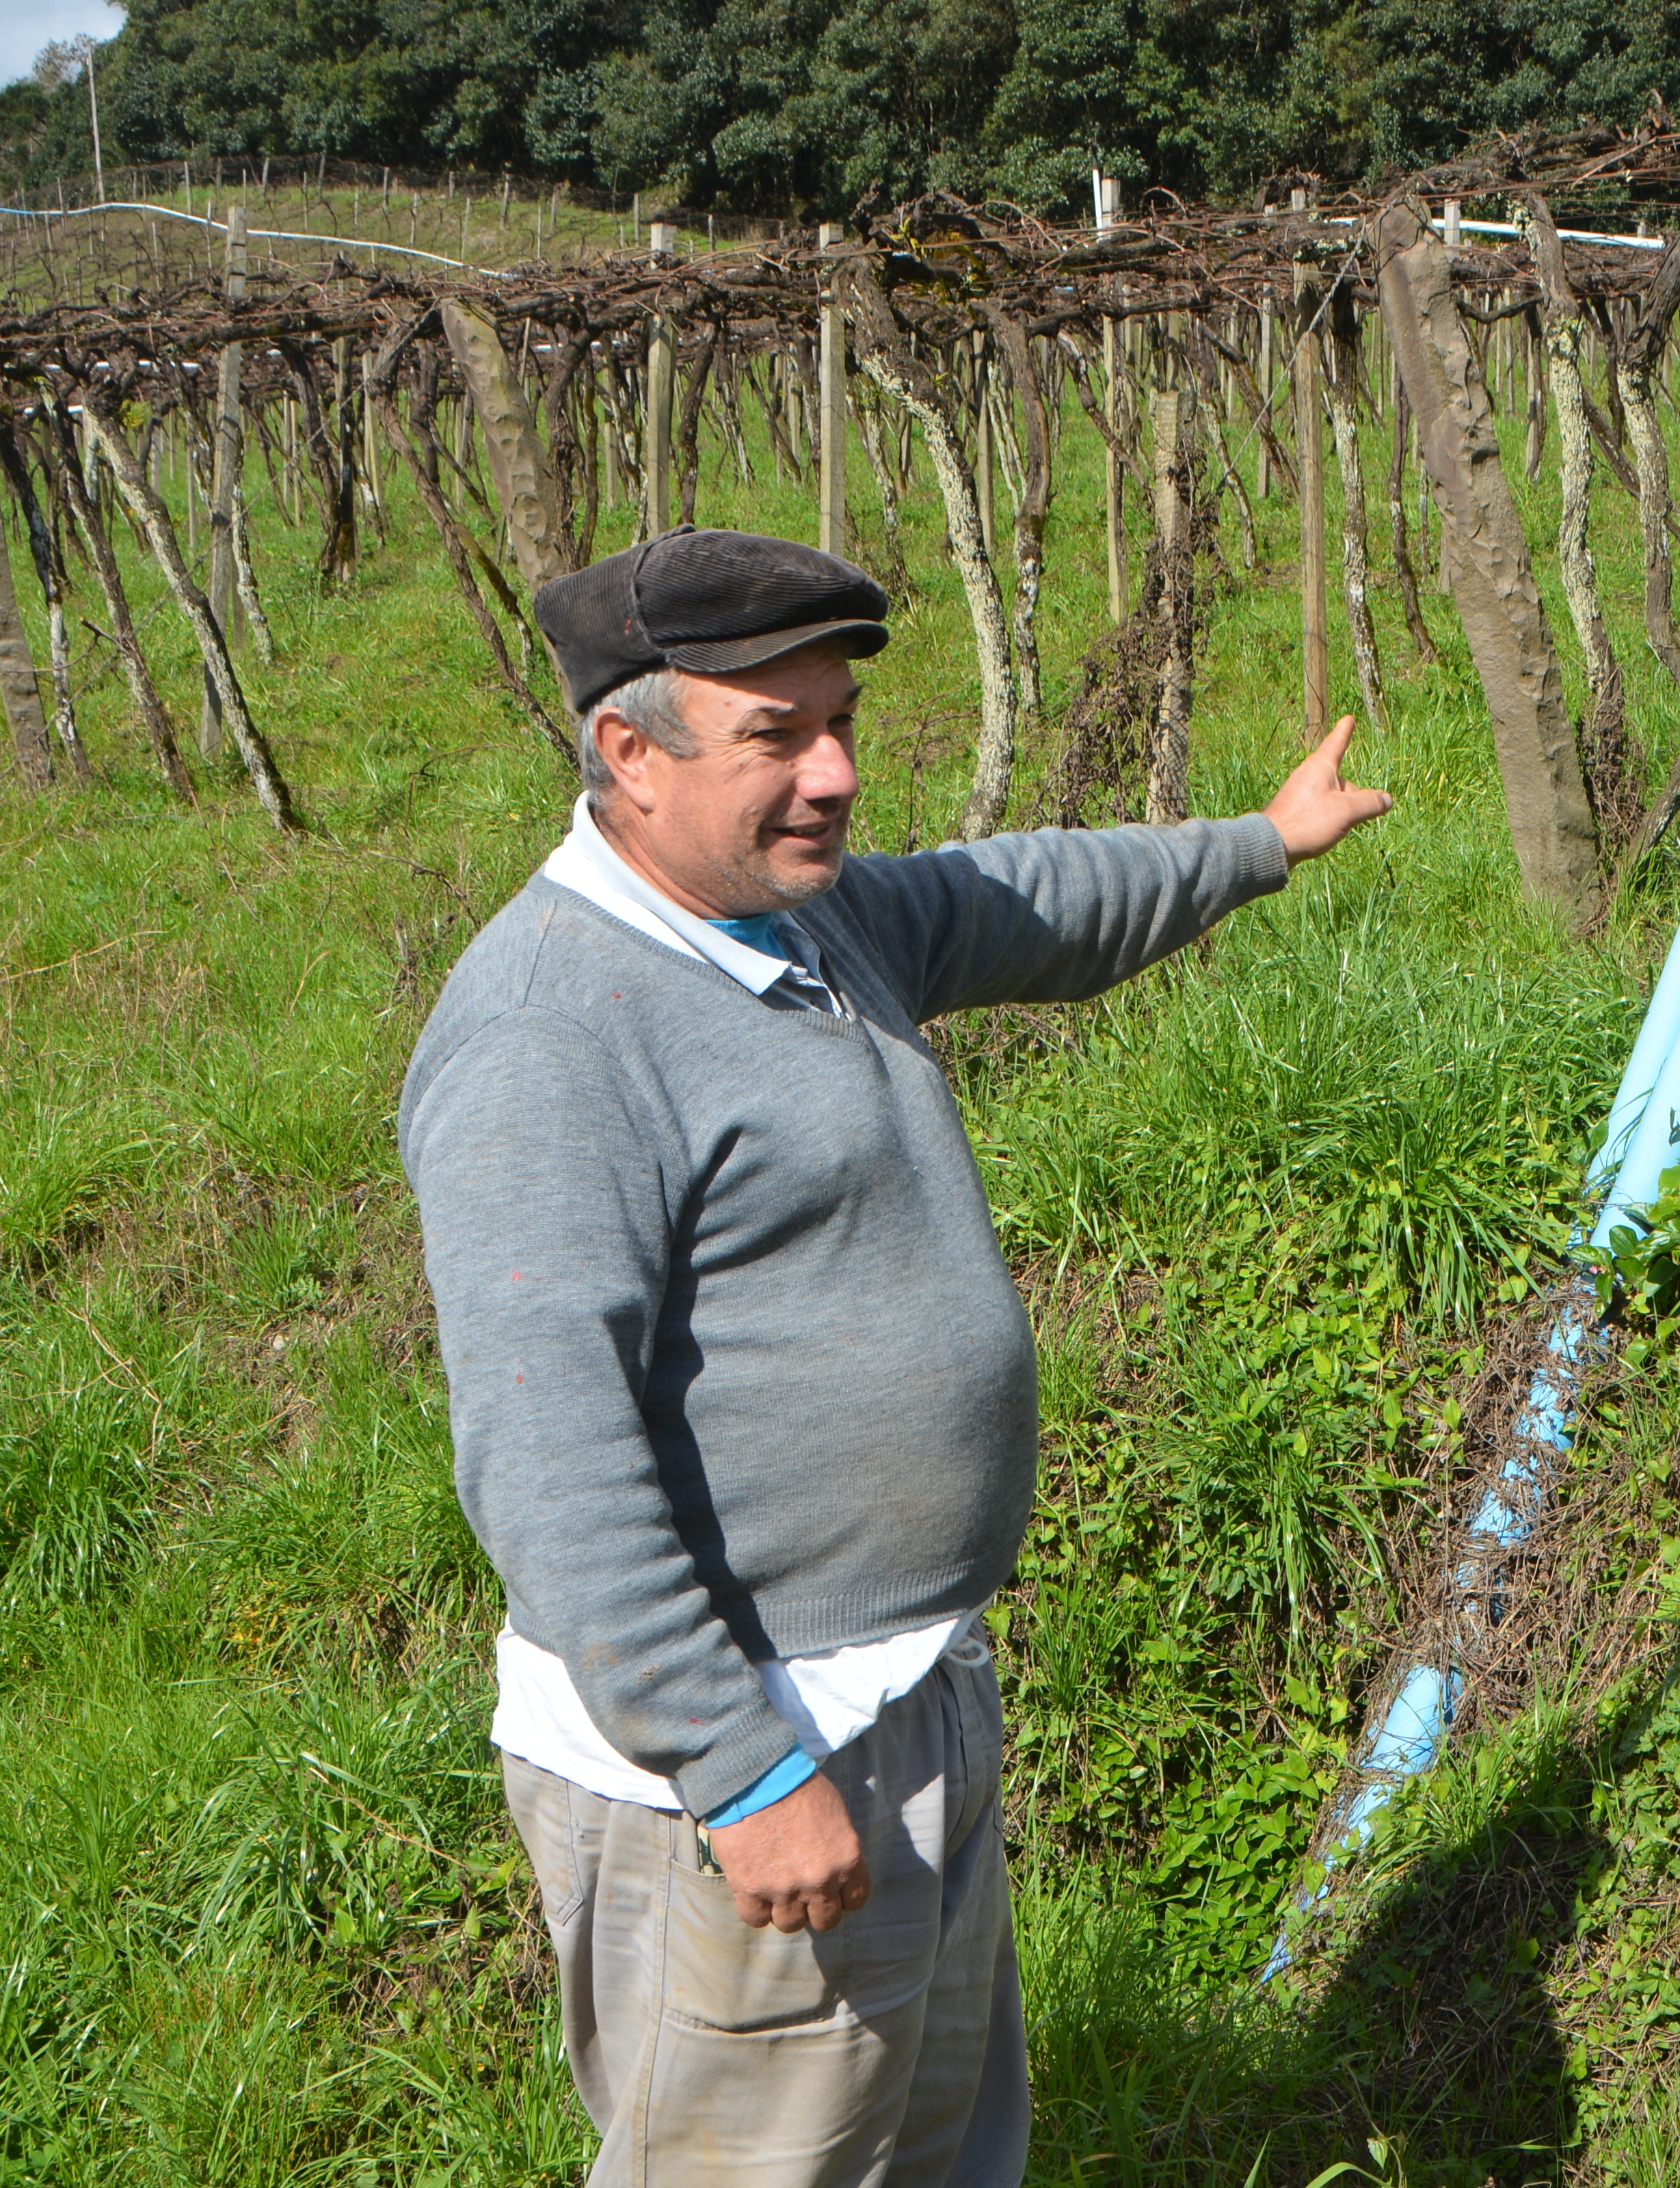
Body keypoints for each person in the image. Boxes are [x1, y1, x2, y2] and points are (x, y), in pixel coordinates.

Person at [398, 529, 1391, 2186]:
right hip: (741, 1752)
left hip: (900, 1689)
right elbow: (547, 1456)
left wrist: (1258, 844)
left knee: (935, 2153)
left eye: (841, 718)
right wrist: (742, 1765)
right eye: (777, 737)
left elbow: (1029, 898)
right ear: (628, 757)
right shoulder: (551, 1033)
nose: (838, 773)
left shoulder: (806, 921)